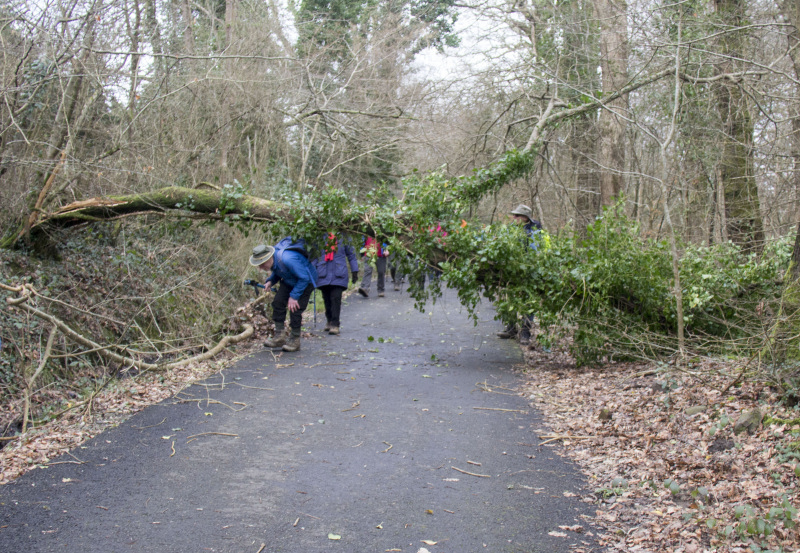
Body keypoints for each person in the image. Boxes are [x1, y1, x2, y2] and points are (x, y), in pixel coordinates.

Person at [249, 240, 317, 352]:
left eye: (262, 264)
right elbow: (278, 270)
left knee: (295, 308)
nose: (261, 268)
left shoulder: (288, 259)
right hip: (290, 279)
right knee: (278, 302)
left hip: (306, 281)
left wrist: (294, 297)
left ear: (268, 258)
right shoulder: (274, 260)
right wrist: (270, 281)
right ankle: (280, 336)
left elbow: (304, 278)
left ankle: (295, 340)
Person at [497, 204, 543, 346]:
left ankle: (525, 333)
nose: (514, 217)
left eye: (517, 215)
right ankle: (511, 328)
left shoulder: (535, 230)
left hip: (529, 270)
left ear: (525, 218)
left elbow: (537, 250)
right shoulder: (511, 228)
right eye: (514, 215)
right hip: (512, 269)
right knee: (509, 297)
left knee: (528, 302)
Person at [313, 233, 359, 335]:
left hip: (339, 272)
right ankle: (329, 320)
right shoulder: (319, 236)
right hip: (323, 272)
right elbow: (314, 255)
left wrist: (354, 270)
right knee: (327, 298)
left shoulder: (344, 236)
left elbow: (351, 254)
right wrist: (311, 271)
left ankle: (335, 324)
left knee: (335, 298)